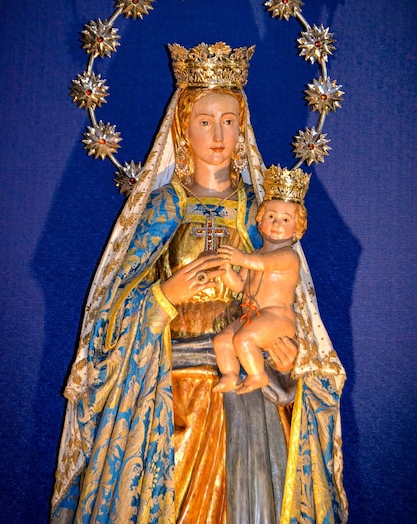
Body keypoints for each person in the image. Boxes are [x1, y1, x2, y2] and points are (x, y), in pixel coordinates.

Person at [51, 42, 348, 524]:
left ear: (243, 127)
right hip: (173, 386)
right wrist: (166, 296)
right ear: (181, 128)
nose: (218, 133)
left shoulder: (263, 214)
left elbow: (286, 295)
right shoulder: (164, 206)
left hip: (247, 386)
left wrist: (290, 347)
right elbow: (111, 313)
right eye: (205, 120)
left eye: (230, 120)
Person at [213, 166, 310, 395]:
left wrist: (240, 258)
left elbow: (264, 265)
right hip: (253, 315)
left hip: (276, 319)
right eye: (271, 217)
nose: (276, 224)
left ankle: (258, 375)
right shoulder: (256, 254)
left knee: (244, 340)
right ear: (260, 220)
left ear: (297, 230)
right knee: (223, 340)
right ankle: (229, 375)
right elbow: (239, 285)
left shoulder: (288, 256)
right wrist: (225, 268)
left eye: (285, 220)